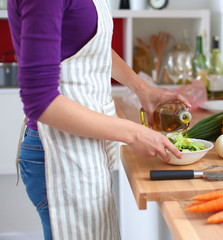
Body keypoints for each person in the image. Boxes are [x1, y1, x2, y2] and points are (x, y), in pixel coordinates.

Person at [7, 0, 190, 239]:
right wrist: (134, 133)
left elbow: (89, 43)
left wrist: (142, 88)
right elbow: (41, 101)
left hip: (83, 148)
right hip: (59, 154)